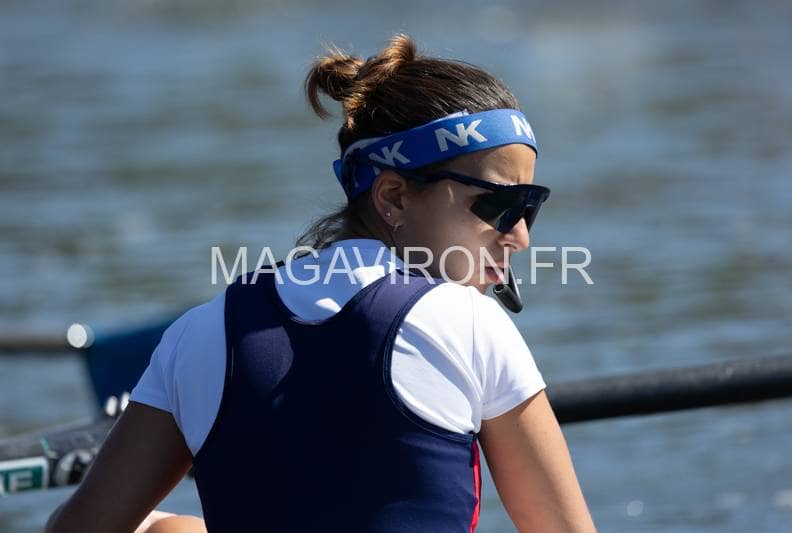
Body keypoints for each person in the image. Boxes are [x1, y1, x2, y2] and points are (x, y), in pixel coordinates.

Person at [46, 35, 596, 533]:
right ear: (393, 197)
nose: (520, 237)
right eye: (500, 205)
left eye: (530, 206)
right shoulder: (469, 322)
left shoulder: (199, 333)